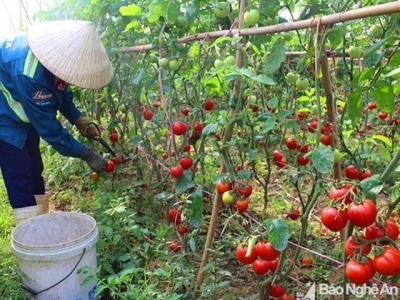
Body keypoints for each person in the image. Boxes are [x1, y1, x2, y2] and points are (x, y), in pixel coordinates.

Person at [0, 20, 114, 224]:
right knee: (19, 171)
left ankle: (42, 223)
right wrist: (86, 153)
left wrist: (78, 119)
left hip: (23, 106)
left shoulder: (53, 60)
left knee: (35, 166)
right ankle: (31, 234)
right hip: (4, 119)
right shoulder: (30, 73)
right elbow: (50, 130)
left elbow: (60, 91)